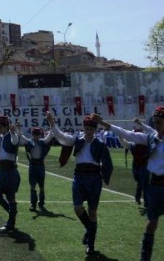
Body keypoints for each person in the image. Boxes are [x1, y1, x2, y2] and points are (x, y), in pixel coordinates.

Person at [94, 107, 164, 261]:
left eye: (159, 122)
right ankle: (144, 258)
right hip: (155, 187)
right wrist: (103, 123)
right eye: (155, 122)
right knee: (151, 224)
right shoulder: (151, 138)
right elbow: (127, 134)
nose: (157, 125)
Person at [47, 111, 113, 255]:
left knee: (92, 212)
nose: (88, 131)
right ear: (83, 128)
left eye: (91, 129)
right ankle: (90, 231)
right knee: (77, 208)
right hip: (79, 176)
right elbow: (62, 138)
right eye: (86, 128)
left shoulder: (100, 143)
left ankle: (91, 244)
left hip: (94, 178)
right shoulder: (77, 139)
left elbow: (107, 163)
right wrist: (52, 123)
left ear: (95, 130)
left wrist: (105, 177)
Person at [19, 126, 53, 211]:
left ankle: (41, 203)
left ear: (40, 135)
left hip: (40, 165)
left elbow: (49, 137)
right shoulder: (29, 142)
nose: (36, 136)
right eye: (34, 134)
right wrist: (18, 128)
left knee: (41, 185)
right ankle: (33, 204)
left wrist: (52, 126)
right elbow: (21, 136)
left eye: (37, 134)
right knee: (32, 185)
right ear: (32, 134)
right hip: (33, 165)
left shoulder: (42, 142)